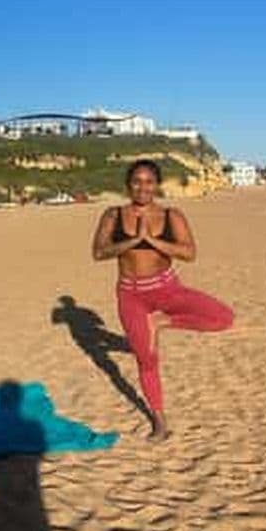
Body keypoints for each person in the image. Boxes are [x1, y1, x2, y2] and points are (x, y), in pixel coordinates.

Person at [91, 159, 233, 441]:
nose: (143, 187)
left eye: (148, 182)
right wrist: (133, 241)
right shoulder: (113, 215)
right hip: (132, 295)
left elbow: (189, 253)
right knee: (147, 359)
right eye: (137, 182)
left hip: (168, 290)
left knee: (223, 318)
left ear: (156, 185)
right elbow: (99, 252)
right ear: (128, 185)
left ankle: (162, 321)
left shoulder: (172, 215)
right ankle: (159, 420)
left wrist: (152, 240)